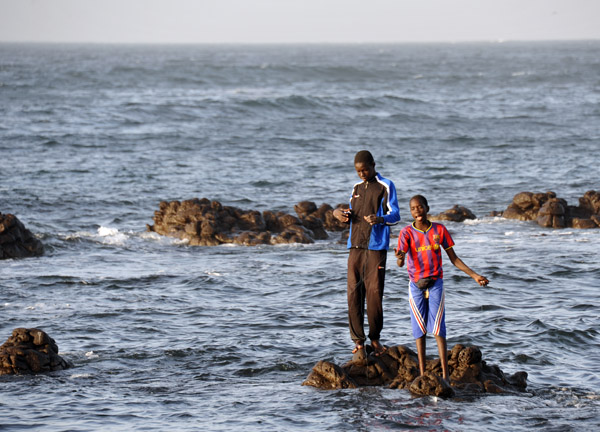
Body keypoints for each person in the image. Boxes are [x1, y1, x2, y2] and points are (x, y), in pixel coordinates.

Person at [395, 194, 489, 380]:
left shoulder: (439, 230)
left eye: (420, 207)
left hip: (436, 283)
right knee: (419, 329)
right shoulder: (406, 232)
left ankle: (445, 375)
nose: (417, 211)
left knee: (438, 328)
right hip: (416, 286)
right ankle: (422, 374)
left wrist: (475, 275)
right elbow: (400, 262)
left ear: (427, 208)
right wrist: (399, 257)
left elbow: (454, 259)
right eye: (413, 208)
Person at [333, 150, 400, 358]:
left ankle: (375, 338)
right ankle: (358, 341)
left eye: (365, 170)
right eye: (358, 171)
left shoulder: (386, 185)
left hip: (376, 246)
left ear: (373, 165)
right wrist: (341, 215)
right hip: (355, 246)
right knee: (353, 293)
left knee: (374, 294)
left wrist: (380, 219)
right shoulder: (356, 188)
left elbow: (395, 214)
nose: (362, 174)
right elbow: (348, 212)